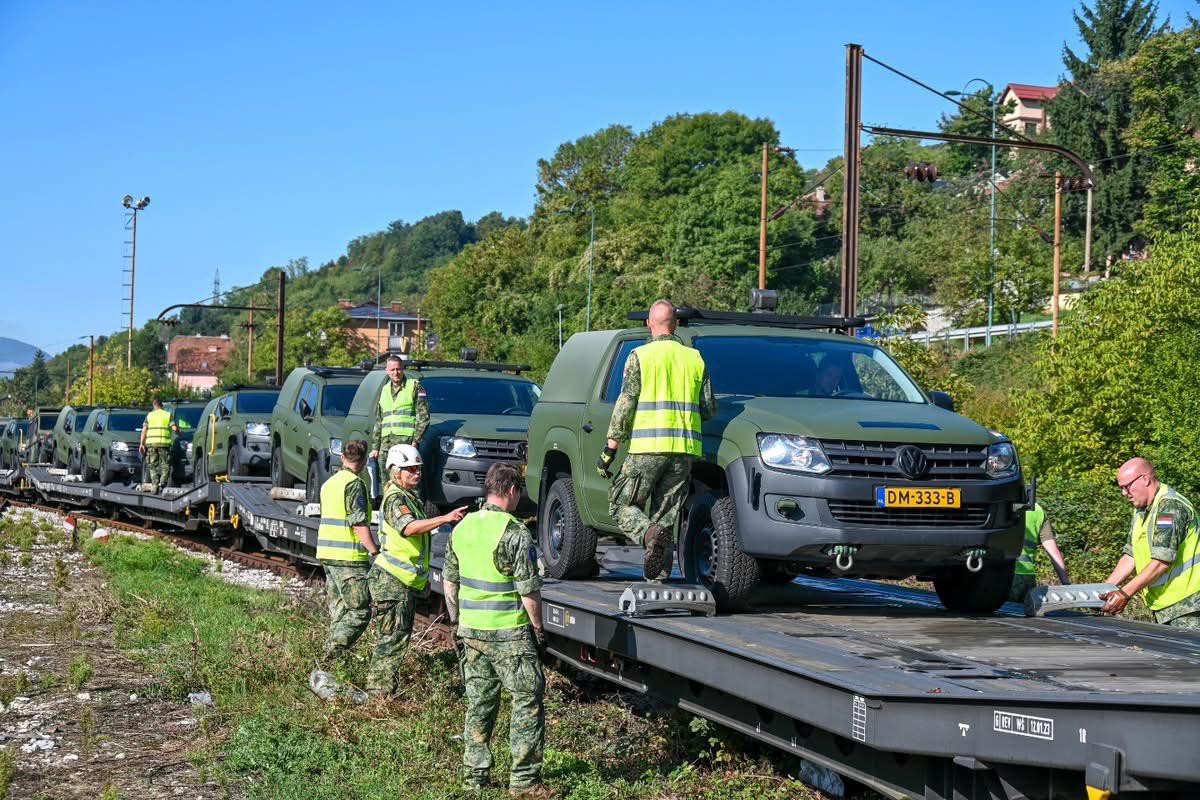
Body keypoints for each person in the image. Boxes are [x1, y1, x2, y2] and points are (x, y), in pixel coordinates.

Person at [443, 463, 553, 799]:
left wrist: (456, 622)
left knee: (479, 703)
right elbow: (528, 591)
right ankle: (524, 781)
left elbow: (450, 582)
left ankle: (474, 778)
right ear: (512, 491)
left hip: (472, 631)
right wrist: (538, 629)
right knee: (527, 700)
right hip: (510, 634)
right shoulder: (515, 533)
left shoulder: (462, 528)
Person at [600, 299, 717, 581]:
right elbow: (708, 408)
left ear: (649, 324)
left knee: (620, 503)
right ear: (675, 325)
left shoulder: (639, 356)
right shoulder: (695, 359)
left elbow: (625, 405)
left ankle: (647, 535)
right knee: (665, 517)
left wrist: (609, 450)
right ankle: (658, 580)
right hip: (683, 451)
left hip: (646, 448)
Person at [365, 443, 467, 696]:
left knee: (398, 639)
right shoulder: (395, 499)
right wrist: (445, 518)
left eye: (418, 469)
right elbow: (409, 528)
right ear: (395, 471)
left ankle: (383, 691)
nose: (416, 474)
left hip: (403, 581)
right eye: (410, 469)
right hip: (392, 581)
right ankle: (379, 694)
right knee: (392, 641)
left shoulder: (408, 497)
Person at [1101, 457, 1200, 628]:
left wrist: (1125, 593)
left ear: (1145, 479)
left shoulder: (1170, 508)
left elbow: (1162, 561)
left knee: (1188, 655)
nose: (1124, 493)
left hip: (1189, 604)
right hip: (1165, 605)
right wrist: (1103, 589)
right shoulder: (1142, 511)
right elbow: (1130, 555)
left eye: (1127, 486)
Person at [315, 438, 378, 660]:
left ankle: (334, 665)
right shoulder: (354, 484)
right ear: (362, 461)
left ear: (342, 457)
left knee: (340, 610)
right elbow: (358, 521)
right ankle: (331, 654)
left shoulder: (329, 483)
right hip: (349, 557)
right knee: (360, 611)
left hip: (327, 554)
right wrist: (374, 551)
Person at [1009, 493, 1071, 603]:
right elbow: (1053, 552)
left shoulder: (1000, 505)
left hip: (1005, 577)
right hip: (1028, 578)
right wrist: (1066, 584)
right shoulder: (1038, 510)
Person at [369, 354, 430, 463]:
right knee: (385, 480)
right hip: (385, 446)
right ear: (387, 370)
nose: (395, 373)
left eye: (398, 369)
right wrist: (375, 447)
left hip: (406, 444)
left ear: (403, 369)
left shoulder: (414, 386)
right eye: (392, 370)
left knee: (404, 479)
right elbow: (379, 421)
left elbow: (423, 417)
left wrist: (416, 442)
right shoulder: (384, 390)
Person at [139, 398, 178, 493]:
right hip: (164, 444)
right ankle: (162, 484)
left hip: (151, 444)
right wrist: (179, 433)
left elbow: (144, 430)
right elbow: (174, 428)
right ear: (162, 406)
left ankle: (155, 485)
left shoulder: (149, 416)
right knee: (165, 465)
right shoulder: (167, 415)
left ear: (154, 406)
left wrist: (141, 444)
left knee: (153, 465)